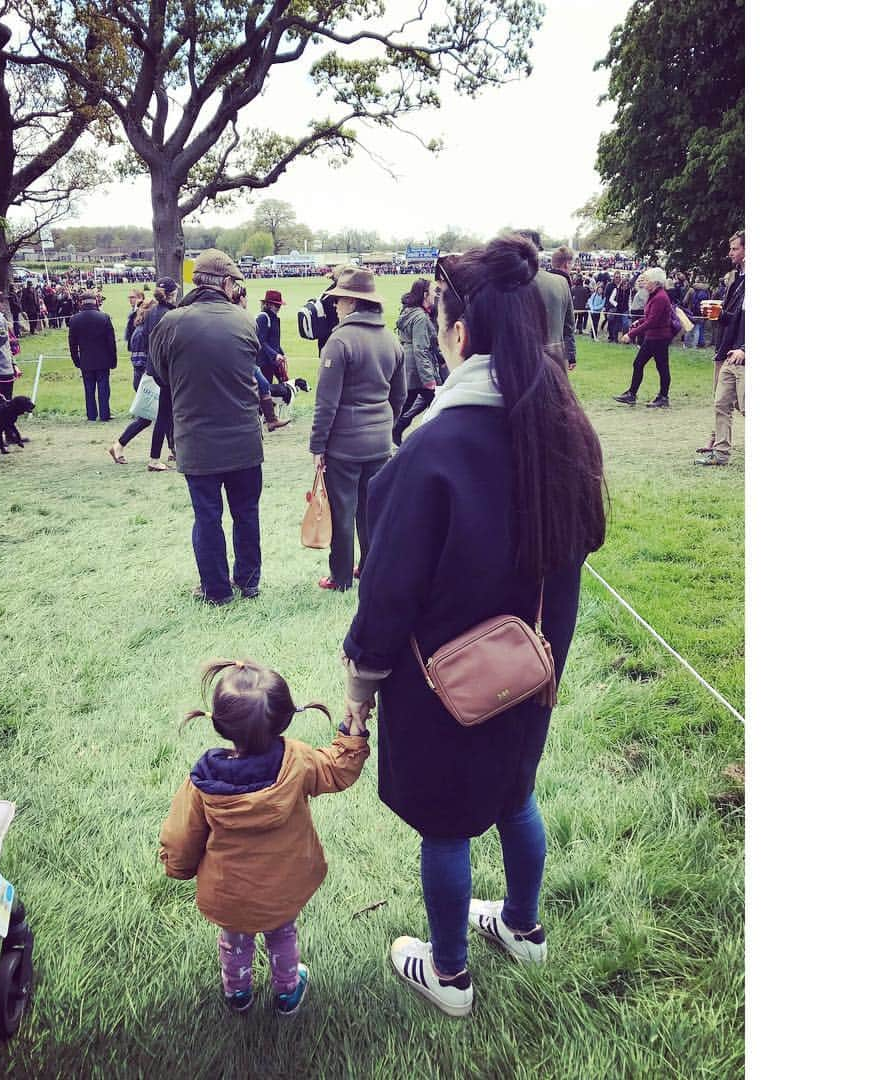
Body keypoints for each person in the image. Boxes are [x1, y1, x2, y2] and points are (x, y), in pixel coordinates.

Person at [338, 233, 606, 1018]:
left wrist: (359, 684)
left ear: (458, 333)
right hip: (536, 664)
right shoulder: (566, 430)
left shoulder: (436, 448)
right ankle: (522, 926)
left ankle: (450, 973)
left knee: (448, 825)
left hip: (441, 680)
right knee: (516, 795)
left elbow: (384, 594)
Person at [160, 658, 369, 1015]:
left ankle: (237, 992)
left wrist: (177, 867)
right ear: (284, 719)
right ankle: (288, 992)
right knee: (282, 935)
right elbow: (336, 770)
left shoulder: (205, 781)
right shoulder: (298, 760)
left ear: (220, 725)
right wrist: (353, 732)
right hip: (283, 887)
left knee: (235, 940)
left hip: (229, 893)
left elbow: (181, 835)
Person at [149, 250, 264, 604]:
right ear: (227, 284)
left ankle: (216, 590)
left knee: (207, 517)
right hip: (244, 436)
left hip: (196, 438)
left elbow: (159, 374)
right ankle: (247, 582)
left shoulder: (171, 322)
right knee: (246, 513)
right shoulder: (245, 321)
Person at [308, 267, 405, 592]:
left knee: (342, 511)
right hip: (379, 441)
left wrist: (317, 446)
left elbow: (326, 403)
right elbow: (399, 395)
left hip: (344, 445)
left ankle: (341, 577)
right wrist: (385, 425)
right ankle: (370, 568)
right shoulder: (391, 340)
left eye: (338, 299)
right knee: (370, 510)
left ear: (352, 301)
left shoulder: (340, 341)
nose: (334, 305)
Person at [697, 231, 745, 466]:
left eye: (735, 248)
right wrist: (719, 315)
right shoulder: (738, 281)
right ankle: (721, 453)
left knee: (746, 407)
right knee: (721, 403)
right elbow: (734, 318)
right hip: (729, 354)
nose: (730, 253)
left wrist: (745, 348)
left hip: (743, 355)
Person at [613, 267, 675, 407]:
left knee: (658, 366)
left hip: (658, 337)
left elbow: (652, 321)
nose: (644, 282)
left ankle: (660, 397)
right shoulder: (655, 295)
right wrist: (639, 321)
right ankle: (634, 394)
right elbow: (651, 317)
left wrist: (631, 334)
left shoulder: (660, 297)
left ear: (655, 282)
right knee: (649, 365)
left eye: (647, 280)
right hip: (654, 336)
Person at [108, 297, 159, 464]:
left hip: (147, 377)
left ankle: (174, 450)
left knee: (160, 416)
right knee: (147, 418)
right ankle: (118, 445)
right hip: (146, 379)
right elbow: (139, 361)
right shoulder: (141, 333)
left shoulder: (143, 330)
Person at [392, 278, 439, 445]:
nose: (436, 295)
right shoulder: (420, 317)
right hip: (417, 370)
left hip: (410, 368)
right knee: (438, 403)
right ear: (425, 295)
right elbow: (421, 349)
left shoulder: (411, 311)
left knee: (406, 403)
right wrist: (429, 380)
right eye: (434, 291)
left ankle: (394, 430)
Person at [520, 231, 575, 372]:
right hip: (554, 361)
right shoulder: (561, 282)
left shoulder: (504, 284)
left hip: (520, 361)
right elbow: (569, 327)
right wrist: (571, 354)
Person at [144, 277, 181, 471]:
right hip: (166, 371)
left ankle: (171, 452)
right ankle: (156, 457)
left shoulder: (151, 312)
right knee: (167, 414)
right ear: (172, 293)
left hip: (156, 369)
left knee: (167, 413)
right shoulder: (169, 314)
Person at [67, 291, 117, 421]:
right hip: (103, 359)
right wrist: (113, 360)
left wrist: (76, 360)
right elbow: (111, 342)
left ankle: (91, 415)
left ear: (81, 302)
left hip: (86, 359)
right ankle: (105, 414)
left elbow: (72, 343)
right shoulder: (104, 317)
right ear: (95, 301)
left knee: (89, 389)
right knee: (104, 388)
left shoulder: (74, 319)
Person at [255, 289, 288, 387]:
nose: (279, 308)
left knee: (282, 386)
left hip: (272, 361)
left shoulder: (274, 318)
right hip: (263, 362)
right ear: (268, 304)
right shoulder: (263, 317)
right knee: (265, 390)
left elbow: (274, 342)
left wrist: (282, 353)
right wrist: (275, 355)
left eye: (279, 305)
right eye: (277, 305)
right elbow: (261, 341)